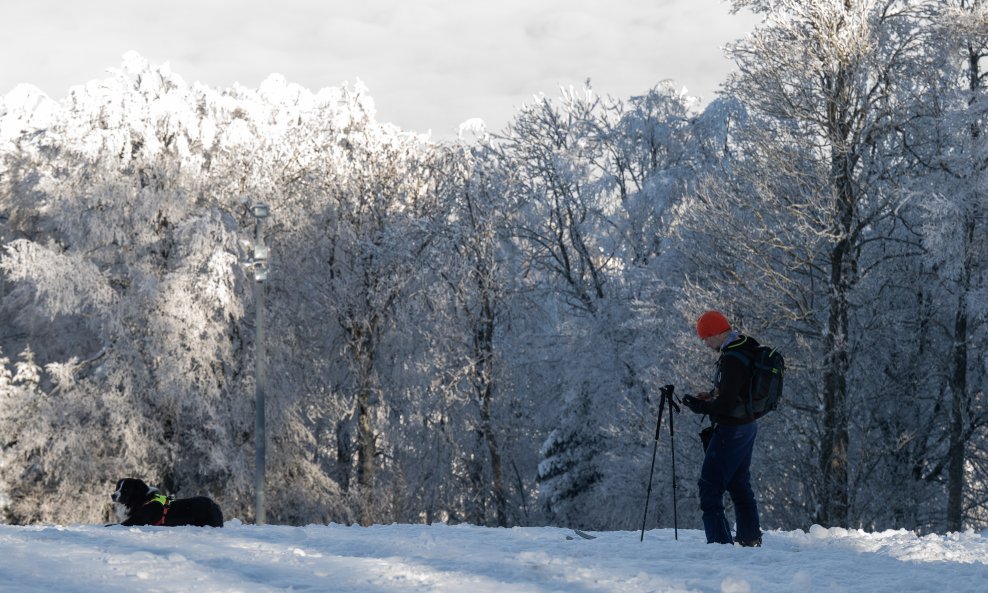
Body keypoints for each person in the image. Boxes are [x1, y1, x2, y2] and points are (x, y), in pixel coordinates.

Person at [681, 310, 763, 547]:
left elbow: (726, 404)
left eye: (706, 338)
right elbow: (736, 391)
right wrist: (711, 396)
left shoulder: (732, 358)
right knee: (739, 483)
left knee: (709, 487)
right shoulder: (745, 346)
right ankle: (749, 538)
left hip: (732, 430)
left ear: (717, 332)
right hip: (747, 425)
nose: (705, 343)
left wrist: (701, 407)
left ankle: (719, 546)